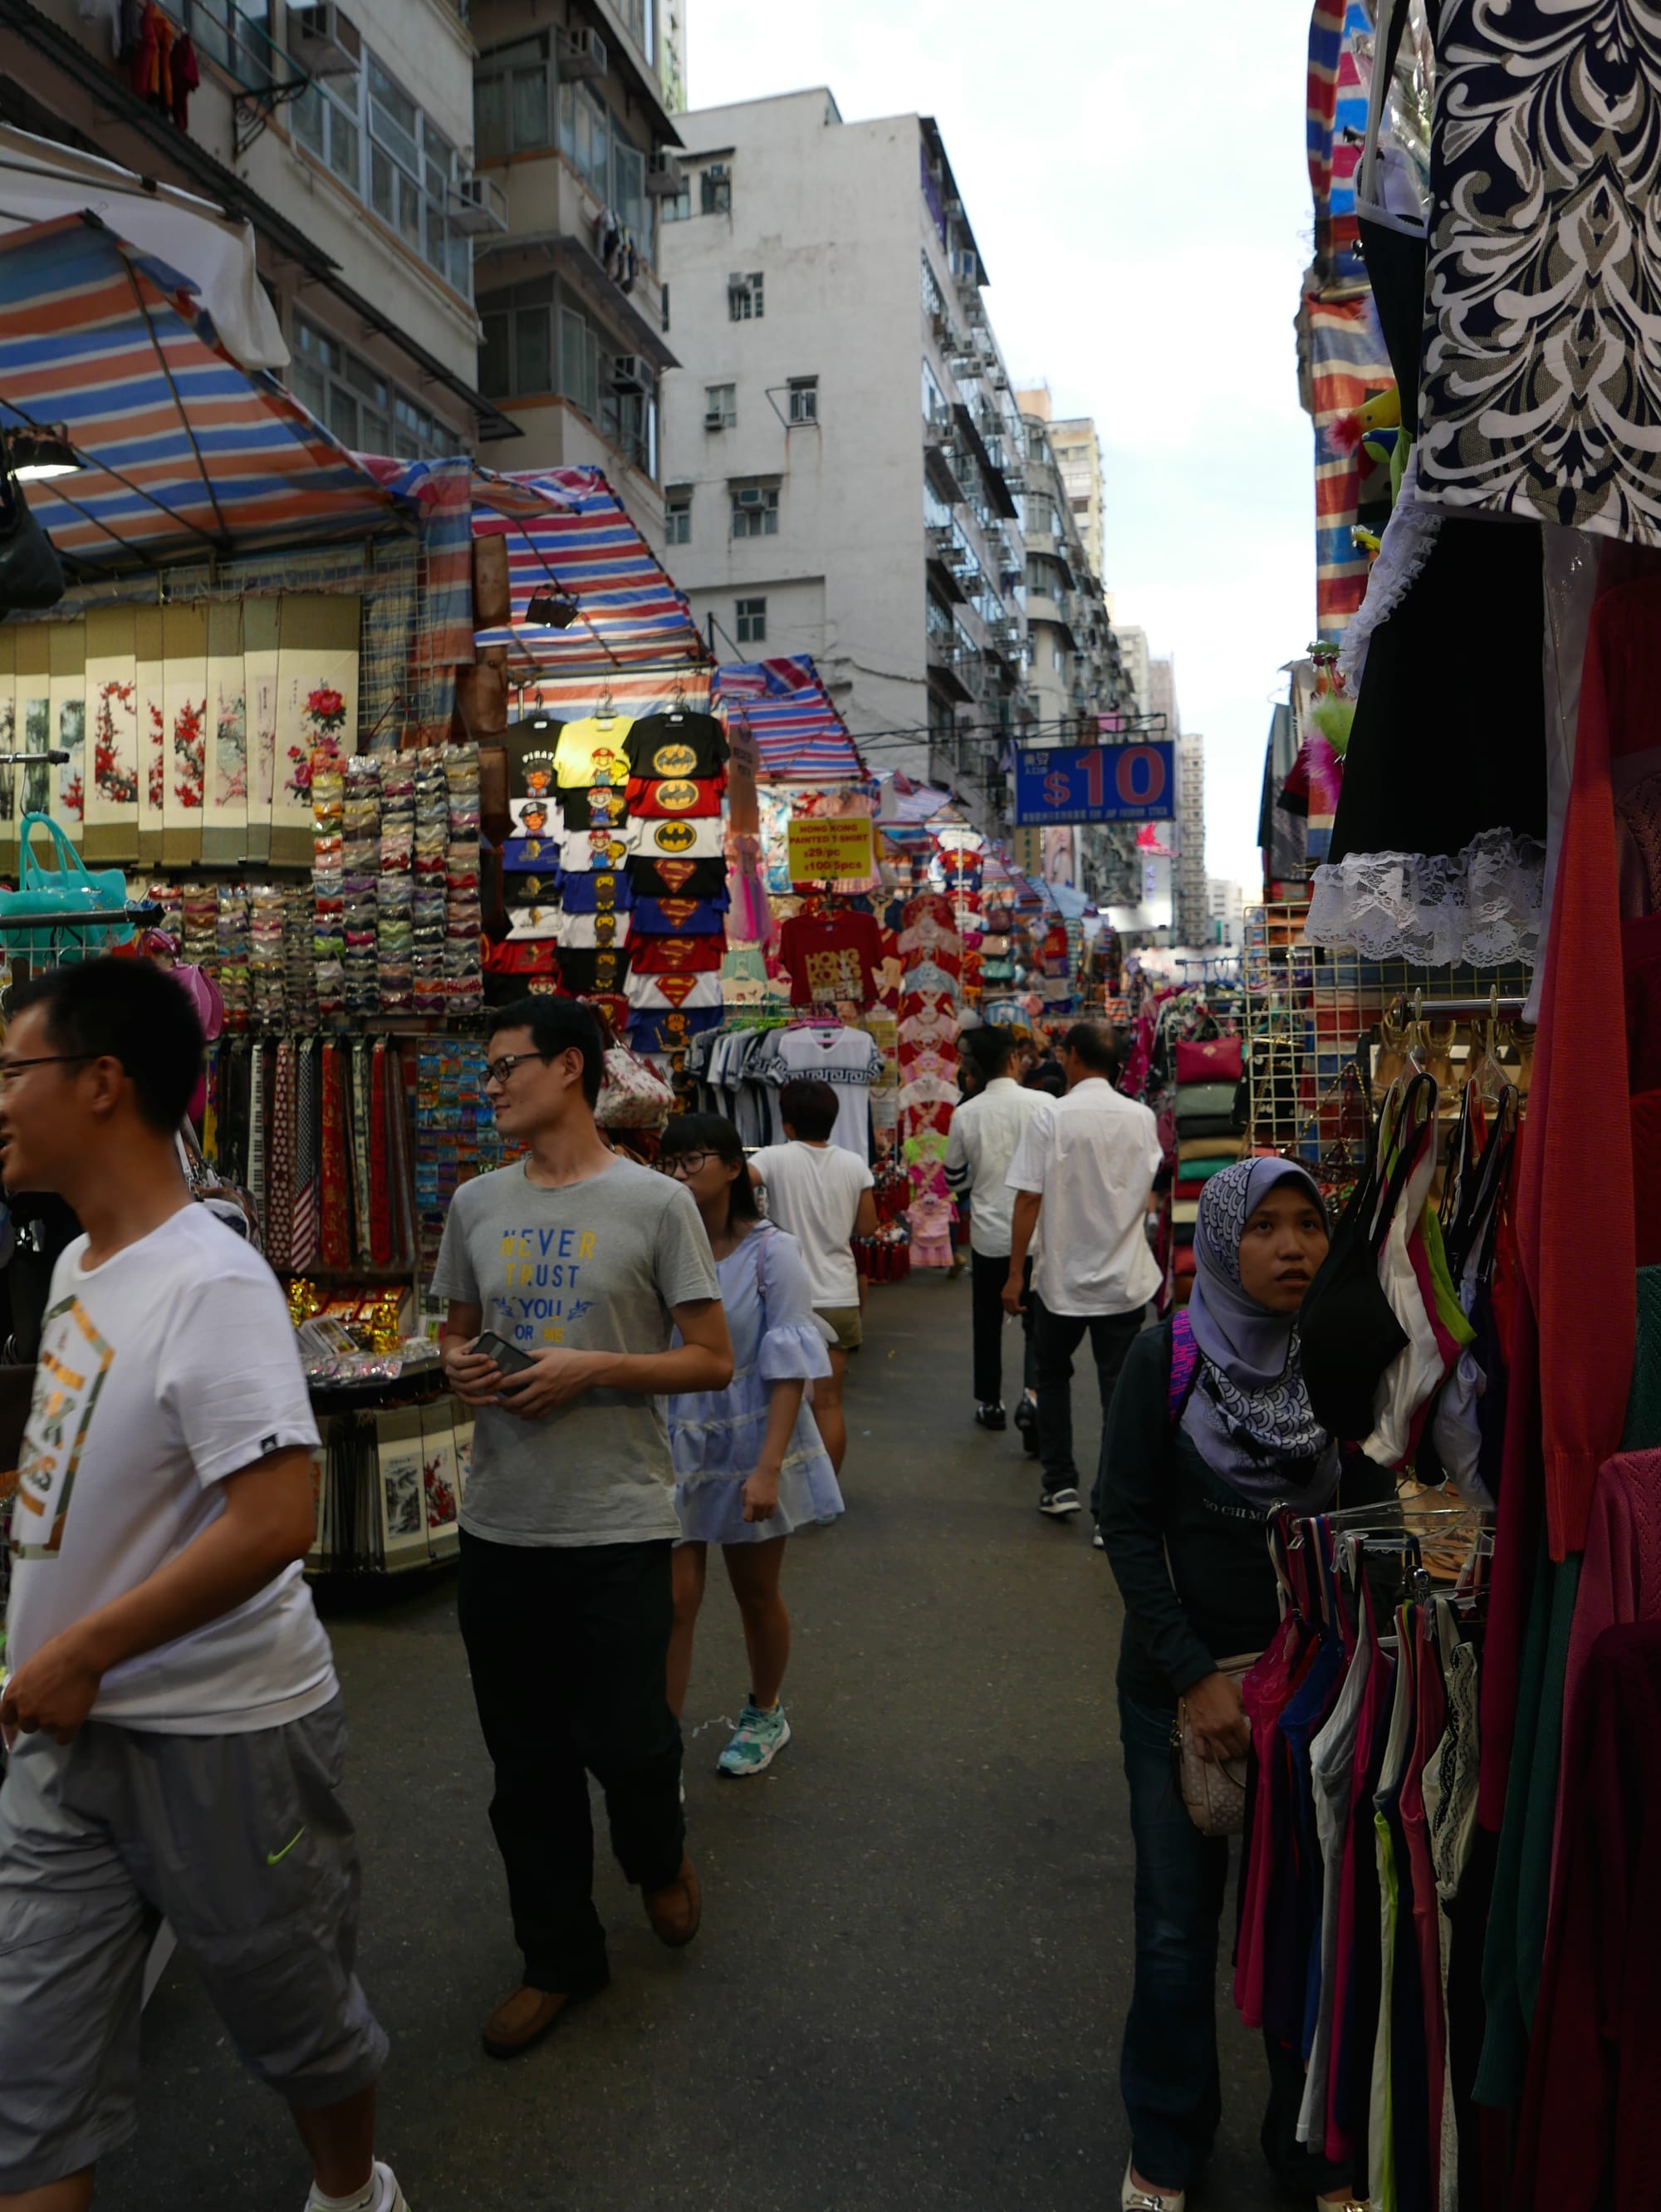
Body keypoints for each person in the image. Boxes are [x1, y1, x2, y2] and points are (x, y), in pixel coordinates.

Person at [0, 959, 404, 2212]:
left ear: (103, 1083)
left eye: (13, 1070)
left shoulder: (212, 1280)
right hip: (67, 1737)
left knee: (294, 2015)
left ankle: (352, 2187)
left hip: (227, 1735)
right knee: (26, 2068)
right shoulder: (79, 1269)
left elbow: (278, 1515)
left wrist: (82, 1650)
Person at [434, 998, 733, 2061]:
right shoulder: (474, 1202)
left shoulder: (655, 1203)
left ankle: (657, 1853)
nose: (494, 1085)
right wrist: (462, 1367)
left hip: (616, 1521)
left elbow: (711, 1357)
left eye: (507, 1066)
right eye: (489, 1071)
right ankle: (558, 1953)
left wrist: (592, 1366)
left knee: (630, 1738)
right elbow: (455, 1332)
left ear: (570, 1067)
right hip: (502, 1525)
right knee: (525, 1764)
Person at [1095, 1159, 1381, 2212]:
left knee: (1304, 1920)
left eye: (1308, 1224)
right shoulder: (1162, 1357)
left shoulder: (1340, 1357)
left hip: (1309, 1691)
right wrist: (1189, 1679)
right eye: (1261, 1226)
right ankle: (1165, 2145)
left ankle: (1310, 2148)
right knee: (1175, 1928)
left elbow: (1367, 1514)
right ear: (1220, 1240)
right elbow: (1121, 1522)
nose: (1292, 1247)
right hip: (1179, 1690)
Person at [659, 1115, 843, 1776]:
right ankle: (662, 1747)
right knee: (675, 1598)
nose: (680, 1173)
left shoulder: (773, 1251)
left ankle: (766, 1710)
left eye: (694, 1159)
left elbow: (790, 1365)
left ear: (735, 1167)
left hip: (749, 1433)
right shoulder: (662, 1245)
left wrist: (768, 1468)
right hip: (675, 1436)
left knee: (755, 1592)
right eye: (670, 1162)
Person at [1003, 1021, 1161, 1518]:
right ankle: (1109, 1507)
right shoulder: (1141, 1118)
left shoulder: (1052, 1117)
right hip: (1124, 1280)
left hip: (1062, 1281)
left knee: (1052, 1379)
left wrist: (1013, 1273)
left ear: (1071, 1056)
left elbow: (1029, 1197)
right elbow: (1149, 1187)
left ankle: (1059, 1483)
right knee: (1118, 1392)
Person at [748, 1077, 877, 1474]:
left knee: (780, 1399)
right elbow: (868, 1227)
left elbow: (737, 1183)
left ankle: (781, 1484)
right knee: (828, 1402)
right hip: (838, 1294)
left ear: (788, 1125)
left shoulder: (772, 1158)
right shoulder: (855, 1163)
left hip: (786, 1297)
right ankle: (828, 1494)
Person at [944, 1026, 1044, 1437]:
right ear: (1011, 1060)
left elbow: (953, 1178)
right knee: (1037, 1323)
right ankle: (1033, 1396)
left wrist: (978, 1186)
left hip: (989, 1235)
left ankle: (992, 1402)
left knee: (986, 1322)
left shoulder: (965, 1113)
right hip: (1039, 1234)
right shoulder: (1045, 1104)